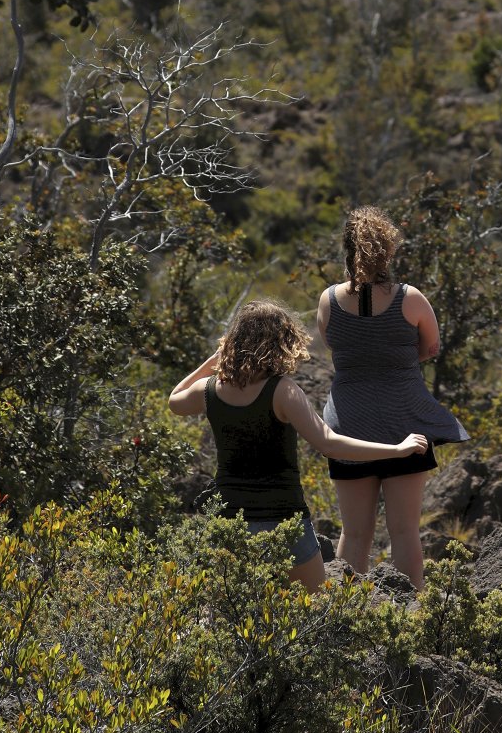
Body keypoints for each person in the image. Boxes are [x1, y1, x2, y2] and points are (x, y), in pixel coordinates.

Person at [168, 298, 428, 591]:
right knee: (314, 615)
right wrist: (396, 450)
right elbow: (329, 444)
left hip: (229, 523)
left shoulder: (209, 390)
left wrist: (212, 363)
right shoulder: (282, 392)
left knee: (236, 617)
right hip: (285, 523)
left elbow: (174, 400)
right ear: (283, 342)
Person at [317, 206, 468, 590]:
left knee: (354, 535)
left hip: (348, 426)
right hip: (405, 420)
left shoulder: (328, 301)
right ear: (388, 252)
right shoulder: (410, 298)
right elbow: (430, 346)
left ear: (348, 251)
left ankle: (344, 619)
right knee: (404, 533)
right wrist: (397, 361)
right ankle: (413, 616)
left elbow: (334, 348)